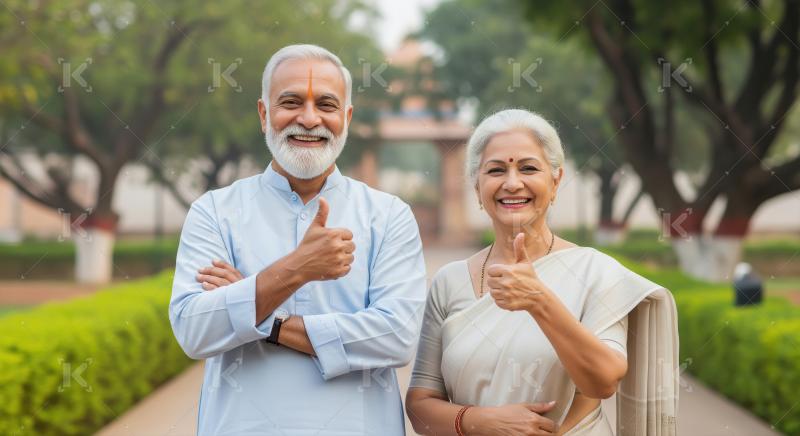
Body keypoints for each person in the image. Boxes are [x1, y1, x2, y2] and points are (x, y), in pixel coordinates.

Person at [169, 44, 427, 436]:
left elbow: (395, 338)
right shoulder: (216, 211)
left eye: (326, 104)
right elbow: (195, 329)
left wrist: (261, 314)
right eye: (291, 102)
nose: (309, 119)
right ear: (264, 114)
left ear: (347, 117)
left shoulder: (388, 215)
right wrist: (297, 269)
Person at [405, 109, 679, 435]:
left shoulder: (595, 271)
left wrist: (539, 301)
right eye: (495, 170)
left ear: (556, 180)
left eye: (528, 168)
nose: (512, 183)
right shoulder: (450, 281)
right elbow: (420, 407)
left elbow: (604, 379)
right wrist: (482, 421)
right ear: (477, 186)